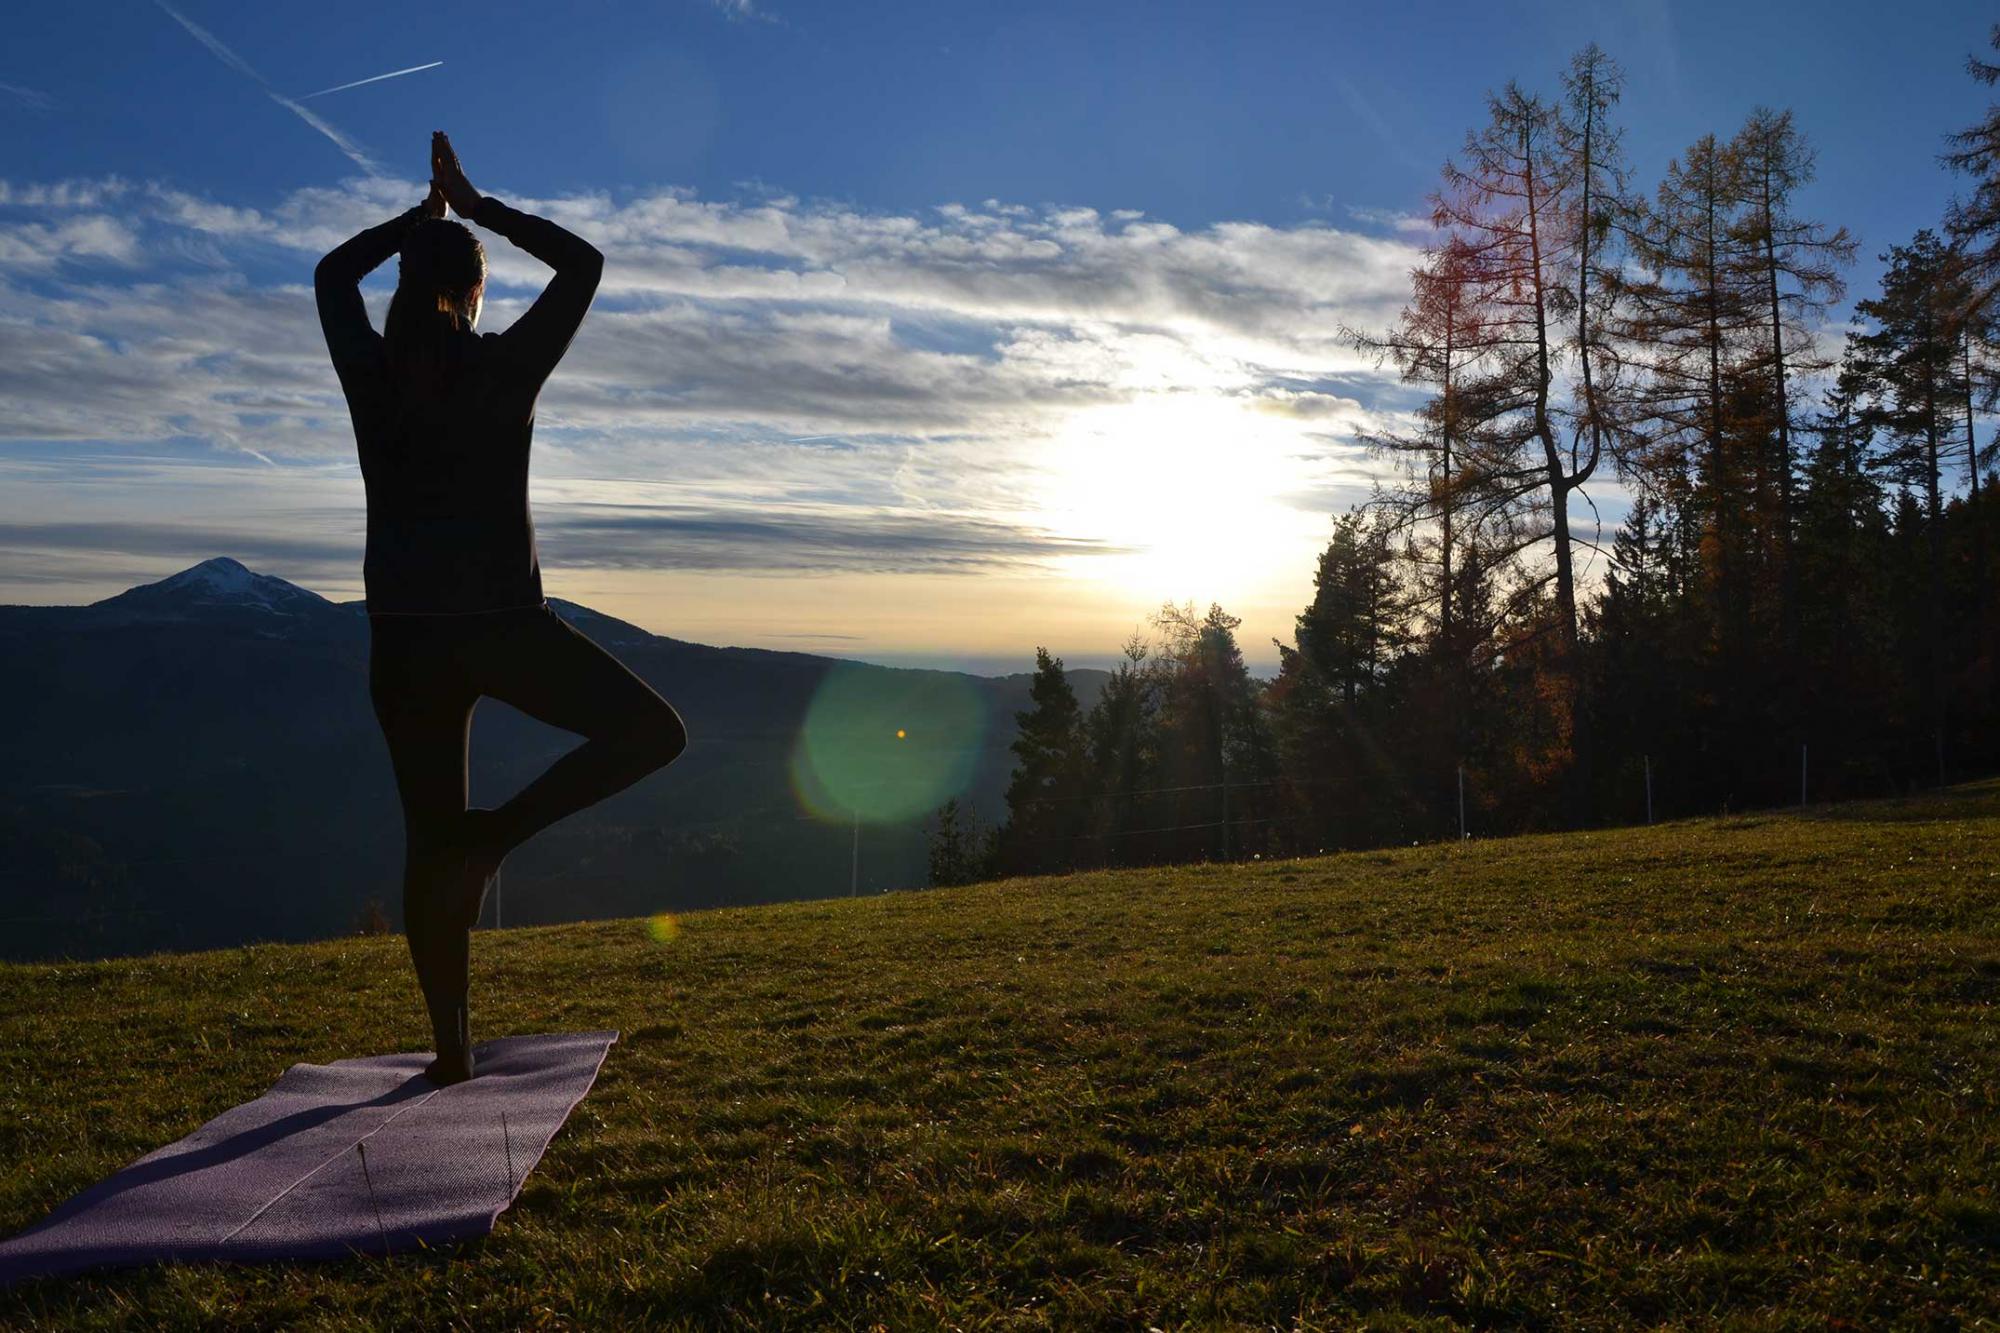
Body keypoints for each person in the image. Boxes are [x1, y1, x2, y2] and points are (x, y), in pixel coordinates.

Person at [316, 132, 687, 1085]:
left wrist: (417, 221)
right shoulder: (504, 367)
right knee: (650, 731)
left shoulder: (373, 372)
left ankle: (452, 1049)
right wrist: (476, 205)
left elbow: (329, 275)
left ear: (405, 284)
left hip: (402, 644)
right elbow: (585, 263)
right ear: (476, 292)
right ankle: (495, 839)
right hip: (504, 627)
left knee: (426, 840)